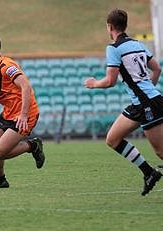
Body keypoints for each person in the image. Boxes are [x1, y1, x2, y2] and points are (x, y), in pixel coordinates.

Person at [84, 9, 163, 196]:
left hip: (146, 104)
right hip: (145, 103)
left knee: (161, 152)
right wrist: (147, 92)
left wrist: (94, 83)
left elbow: (110, 81)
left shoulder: (113, 48)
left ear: (109, 27)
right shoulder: (138, 44)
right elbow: (157, 69)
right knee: (112, 139)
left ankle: (150, 172)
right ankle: (149, 172)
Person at [0, 34, 45, 188]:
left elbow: (26, 86)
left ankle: (33, 146)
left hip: (25, 113)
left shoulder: (7, 65)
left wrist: (24, 115)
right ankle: (0, 180)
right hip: (8, 112)